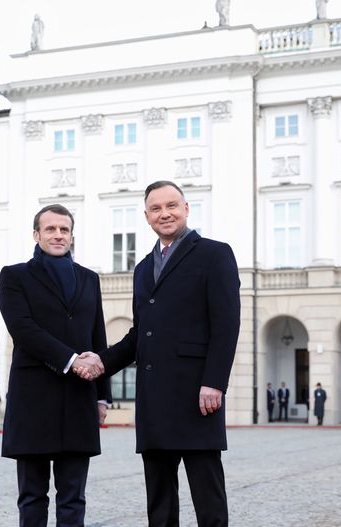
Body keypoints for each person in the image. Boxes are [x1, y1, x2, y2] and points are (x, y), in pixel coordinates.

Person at [90, 181, 239, 527]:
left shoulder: (214, 254)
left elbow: (226, 324)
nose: (165, 213)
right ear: (146, 217)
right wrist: (101, 362)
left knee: (208, 497)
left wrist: (214, 382)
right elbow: (139, 334)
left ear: (186, 208)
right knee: (159, 501)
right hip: (154, 398)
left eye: (172, 205)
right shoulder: (143, 268)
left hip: (197, 396)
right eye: (156, 209)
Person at [0, 203, 112, 527]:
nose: (58, 235)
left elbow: (97, 336)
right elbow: (23, 329)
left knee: (74, 497)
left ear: (72, 235)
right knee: (32, 496)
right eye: (50, 229)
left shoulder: (89, 279)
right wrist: (72, 360)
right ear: (36, 234)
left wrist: (102, 396)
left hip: (79, 399)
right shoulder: (14, 275)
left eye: (64, 229)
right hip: (33, 398)